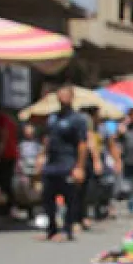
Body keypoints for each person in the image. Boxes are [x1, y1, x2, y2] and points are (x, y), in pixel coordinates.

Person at [36, 86, 87, 242]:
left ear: (71, 97)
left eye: (65, 95)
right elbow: (47, 139)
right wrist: (41, 156)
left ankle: (66, 230)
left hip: (68, 163)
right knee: (47, 197)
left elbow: (82, 144)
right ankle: (51, 229)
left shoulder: (78, 119)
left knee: (70, 199)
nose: (62, 98)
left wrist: (80, 167)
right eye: (60, 95)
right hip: (52, 164)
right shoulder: (52, 118)